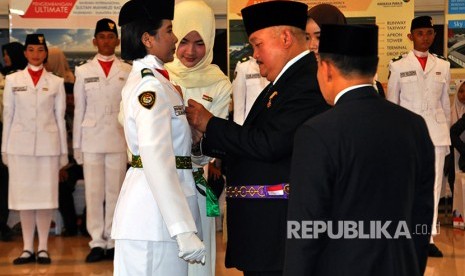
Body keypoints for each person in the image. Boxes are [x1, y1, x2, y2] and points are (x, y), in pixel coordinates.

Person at [186, 1, 329, 274]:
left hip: (278, 231)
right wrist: (203, 140)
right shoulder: (285, 82)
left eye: (257, 44)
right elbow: (253, 138)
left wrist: (210, 123)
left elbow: (268, 143)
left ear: (285, 38)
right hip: (266, 231)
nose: (254, 55)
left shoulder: (307, 81)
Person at [284, 23, 434, 276]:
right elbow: (422, 215)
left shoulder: (317, 133)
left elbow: (305, 228)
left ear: (327, 68)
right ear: (373, 67)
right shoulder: (413, 126)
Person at [112, 0, 206, 274]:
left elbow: (177, 152)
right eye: (169, 30)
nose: (175, 38)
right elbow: (155, 159)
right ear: (147, 39)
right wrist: (182, 228)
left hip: (161, 218)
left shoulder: (161, 81)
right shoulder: (149, 86)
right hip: (152, 220)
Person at [165, 1, 231, 275]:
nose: (190, 51)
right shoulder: (160, 75)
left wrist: (195, 142)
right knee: (165, 256)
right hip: (161, 182)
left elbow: (209, 147)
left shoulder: (219, 83)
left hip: (197, 179)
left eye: (200, 42)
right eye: (183, 41)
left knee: (199, 259)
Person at [387, 15, 451, 257]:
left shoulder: (442, 66)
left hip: (436, 135)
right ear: (410, 36)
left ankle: (427, 237)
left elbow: (445, 105)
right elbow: (392, 104)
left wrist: (446, 134)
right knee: (406, 185)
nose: (425, 37)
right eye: (420, 33)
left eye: (429, 33)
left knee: (434, 187)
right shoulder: (398, 65)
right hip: (406, 135)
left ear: (434, 36)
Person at [1, 34, 68, 265]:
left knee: (45, 199)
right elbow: (8, 117)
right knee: (25, 200)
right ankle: (27, 248)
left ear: (46, 52)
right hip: (19, 147)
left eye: (40, 50)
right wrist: (5, 150)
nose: (36, 54)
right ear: (25, 52)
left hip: (49, 148)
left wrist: (63, 154)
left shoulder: (56, 82)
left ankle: (43, 248)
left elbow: (60, 119)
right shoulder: (13, 80)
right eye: (31, 50)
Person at [73, 18, 131, 262]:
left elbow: (129, 112)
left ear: (117, 40)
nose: (106, 41)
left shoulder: (127, 71)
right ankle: (97, 241)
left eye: (111, 36)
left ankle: (113, 239)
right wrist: (77, 146)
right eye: (102, 37)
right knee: (94, 193)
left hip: (118, 139)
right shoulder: (83, 71)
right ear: (95, 41)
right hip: (91, 139)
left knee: (116, 192)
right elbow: (79, 110)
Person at [45, 47, 83, 237]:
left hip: (88, 158)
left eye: (72, 97)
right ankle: (70, 226)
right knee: (61, 185)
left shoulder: (85, 116)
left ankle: (85, 224)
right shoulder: (57, 117)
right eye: (66, 97)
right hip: (67, 162)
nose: (69, 100)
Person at [0, 42, 27, 242]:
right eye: (4, 55)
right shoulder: (2, 75)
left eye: (8, 54)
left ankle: (5, 225)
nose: (5, 58)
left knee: (5, 183)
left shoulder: (23, 76)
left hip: (16, 136)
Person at [232, 53, 269, 125]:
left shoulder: (275, 65)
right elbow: (239, 106)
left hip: (270, 124)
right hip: (250, 126)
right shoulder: (243, 67)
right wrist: (239, 131)